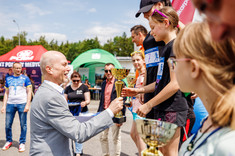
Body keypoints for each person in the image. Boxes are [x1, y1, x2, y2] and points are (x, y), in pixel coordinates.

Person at [30, 51, 124, 156]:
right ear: (49, 69)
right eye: (64, 65)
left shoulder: (49, 92)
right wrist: (110, 111)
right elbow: (79, 133)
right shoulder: (51, 97)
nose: (69, 68)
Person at [122, 7, 188, 156]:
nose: (151, 32)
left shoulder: (176, 47)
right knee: (162, 151)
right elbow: (160, 82)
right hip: (162, 107)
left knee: (170, 152)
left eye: (153, 27)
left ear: (166, 23)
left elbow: (175, 83)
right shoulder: (165, 49)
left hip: (172, 109)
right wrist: (139, 90)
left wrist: (149, 105)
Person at [173, 22, 235, 156]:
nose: (173, 68)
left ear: (194, 68)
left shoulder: (227, 145)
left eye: (175, 61)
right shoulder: (209, 122)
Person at [1, 62, 32, 152]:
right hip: (10, 104)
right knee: (7, 124)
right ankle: (8, 141)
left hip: (22, 104)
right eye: (16, 68)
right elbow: (6, 93)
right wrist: (4, 105)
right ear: (13, 69)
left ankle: (22, 143)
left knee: (23, 125)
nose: (18, 70)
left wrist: (27, 104)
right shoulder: (8, 79)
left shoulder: (25, 78)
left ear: (21, 69)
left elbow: (29, 92)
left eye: (19, 68)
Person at [97, 63, 126, 156]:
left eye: (110, 70)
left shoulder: (120, 82)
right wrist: (98, 114)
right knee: (102, 137)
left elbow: (123, 101)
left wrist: (121, 117)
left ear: (114, 71)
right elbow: (102, 99)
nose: (108, 73)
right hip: (104, 113)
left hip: (115, 114)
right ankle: (106, 154)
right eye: (106, 71)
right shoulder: (103, 83)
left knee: (116, 138)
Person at [64, 71, 90, 156]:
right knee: (70, 133)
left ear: (80, 80)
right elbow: (64, 101)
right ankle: (71, 151)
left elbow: (88, 100)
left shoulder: (84, 87)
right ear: (71, 80)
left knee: (78, 133)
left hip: (82, 112)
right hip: (71, 113)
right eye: (74, 80)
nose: (76, 82)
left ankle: (78, 152)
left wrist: (85, 103)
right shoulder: (67, 88)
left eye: (77, 80)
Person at [129, 51, 147, 155]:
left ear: (143, 60)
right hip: (136, 109)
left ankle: (143, 153)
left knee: (140, 137)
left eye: (138, 60)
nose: (136, 62)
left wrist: (132, 93)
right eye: (133, 61)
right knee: (132, 134)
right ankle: (143, 152)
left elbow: (143, 94)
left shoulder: (145, 74)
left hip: (142, 109)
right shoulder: (139, 74)